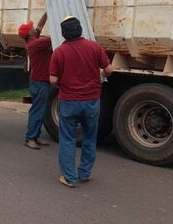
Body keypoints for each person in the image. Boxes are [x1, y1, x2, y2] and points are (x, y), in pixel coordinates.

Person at [49, 16, 113, 188]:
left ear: (63, 34)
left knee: (68, 139)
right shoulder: (94, 47)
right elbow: (108, 70)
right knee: (90, 138)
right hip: (91, 101)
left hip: (69, 101)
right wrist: (100, 77)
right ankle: (85, 173)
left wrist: (64, 82)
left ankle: (69, 177)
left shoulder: (59, 52)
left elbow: (53, 80)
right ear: (80, 30)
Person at [18, 13, 52, 150]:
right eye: (31, 28)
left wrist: (47, 12)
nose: (34, 28)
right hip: (40, 82)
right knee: (37, 111)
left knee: (40, 110)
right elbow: (54, 37)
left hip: (40, 81)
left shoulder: (33, 40)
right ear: (29, 34)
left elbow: (40, 24)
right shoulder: (36, 44)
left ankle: (35, 137)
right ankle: (30, 138)